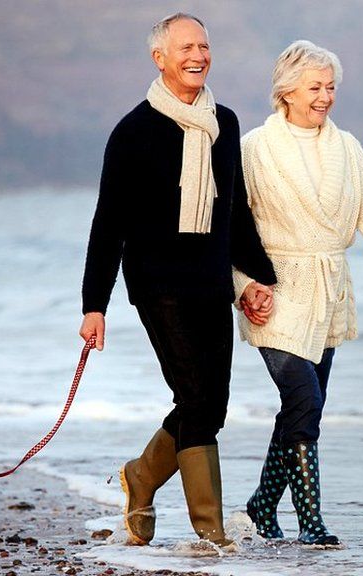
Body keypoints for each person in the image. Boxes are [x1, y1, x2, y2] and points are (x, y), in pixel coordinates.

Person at [79, 13, 277, 549]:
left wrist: (258, 280)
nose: (198, 55)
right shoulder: (133, 132)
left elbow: (233, 214)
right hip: (157, 284)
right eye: (186, 46)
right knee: (194, 395)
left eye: (205, 46)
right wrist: (94, 304)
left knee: (210, 405)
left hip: (210, 281)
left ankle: (141, 476)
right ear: (159, 57)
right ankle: (210, 532)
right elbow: (108, 223)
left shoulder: (225, 123)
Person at [234, 40, 363, 547]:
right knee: (304, 397)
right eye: (315, 87)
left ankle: (260, 507)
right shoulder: (256, 147)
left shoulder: (347, 147)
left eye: (331, 87)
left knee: (305, 407)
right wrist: (243, 286)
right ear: (287, 91)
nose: (325, 97)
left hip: (329, 290)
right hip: (274, 290)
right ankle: (311, 522)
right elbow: (233, 226)